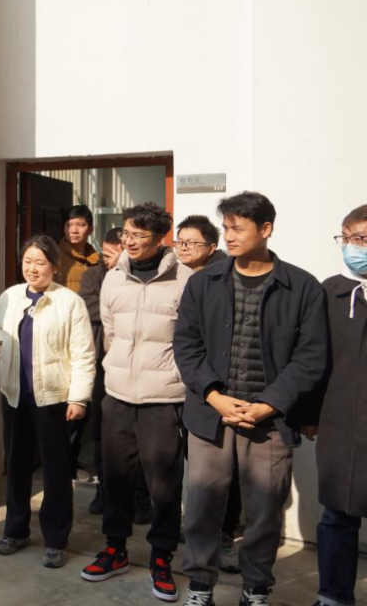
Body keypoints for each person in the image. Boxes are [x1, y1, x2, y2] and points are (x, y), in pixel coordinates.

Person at [174, 192, 328, 606]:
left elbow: (311, 357)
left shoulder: (302, 287)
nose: (228, 236)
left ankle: (255, 588)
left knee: (264, 512)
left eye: (237, 228)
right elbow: (186, 345)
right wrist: (214, 396)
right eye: (225, 228)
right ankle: (200, 587)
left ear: (266, 229)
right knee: (202, 507)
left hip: (270, 422)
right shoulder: (204, 283)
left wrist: (270, 404)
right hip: (211, 417)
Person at [81, 202, 191, 603]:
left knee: (163, 484)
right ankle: (115, 550)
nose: (128, 241)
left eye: (138, 236)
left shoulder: (185, 279)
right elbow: (110, 332)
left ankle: (161, 557)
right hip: (118, 394)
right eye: (125, 233)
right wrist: (117, 371)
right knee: (115, 478)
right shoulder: (114, 278)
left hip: (164, 397)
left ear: (160, 238)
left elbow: (190, 338)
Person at [0, 235, 96, 569]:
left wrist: (79, 397)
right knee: (17, 465)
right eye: (27, 262)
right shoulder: (11, 296)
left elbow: (83, 353)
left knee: (56, 471)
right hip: (14, 395)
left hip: (53, 399)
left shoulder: (69, 302)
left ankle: (56, 539)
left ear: (55, 266)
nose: (32, 269)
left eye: (40, 262)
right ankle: (15, 530)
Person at [174, 214, 240, 573]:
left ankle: (224, 536)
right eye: (179, 241)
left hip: (223, 393)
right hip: (193, 389)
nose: (183, 248)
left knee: (229, 475)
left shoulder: (222, 280)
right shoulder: (184, 276)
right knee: (201, 475)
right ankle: (204, 535)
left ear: (212, 247)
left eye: (192, 242)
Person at [308, 205, 367, 606]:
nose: (351, 246)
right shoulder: (330, 292)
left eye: (360, 238)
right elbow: (312, 360)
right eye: (346, 238)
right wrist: (309, 414)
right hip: (340, 423)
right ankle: (333, 596)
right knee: (337, 515)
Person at [78, 227, 123, 516]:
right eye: (104, 254)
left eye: (110, 254)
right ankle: (103, 487)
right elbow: (87, 305)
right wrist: (121, 306)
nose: (105, 259)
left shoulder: (138, 276)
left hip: (130, 364)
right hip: (100, 360)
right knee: (100, 427)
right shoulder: (93, 275)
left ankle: (138, 493)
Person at [57, 204, 100, 293]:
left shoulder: (97, 261)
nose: (74, 231)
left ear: (91, 229)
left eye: (80, 225)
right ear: (63, 228)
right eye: (69, 225)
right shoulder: (54, 257)